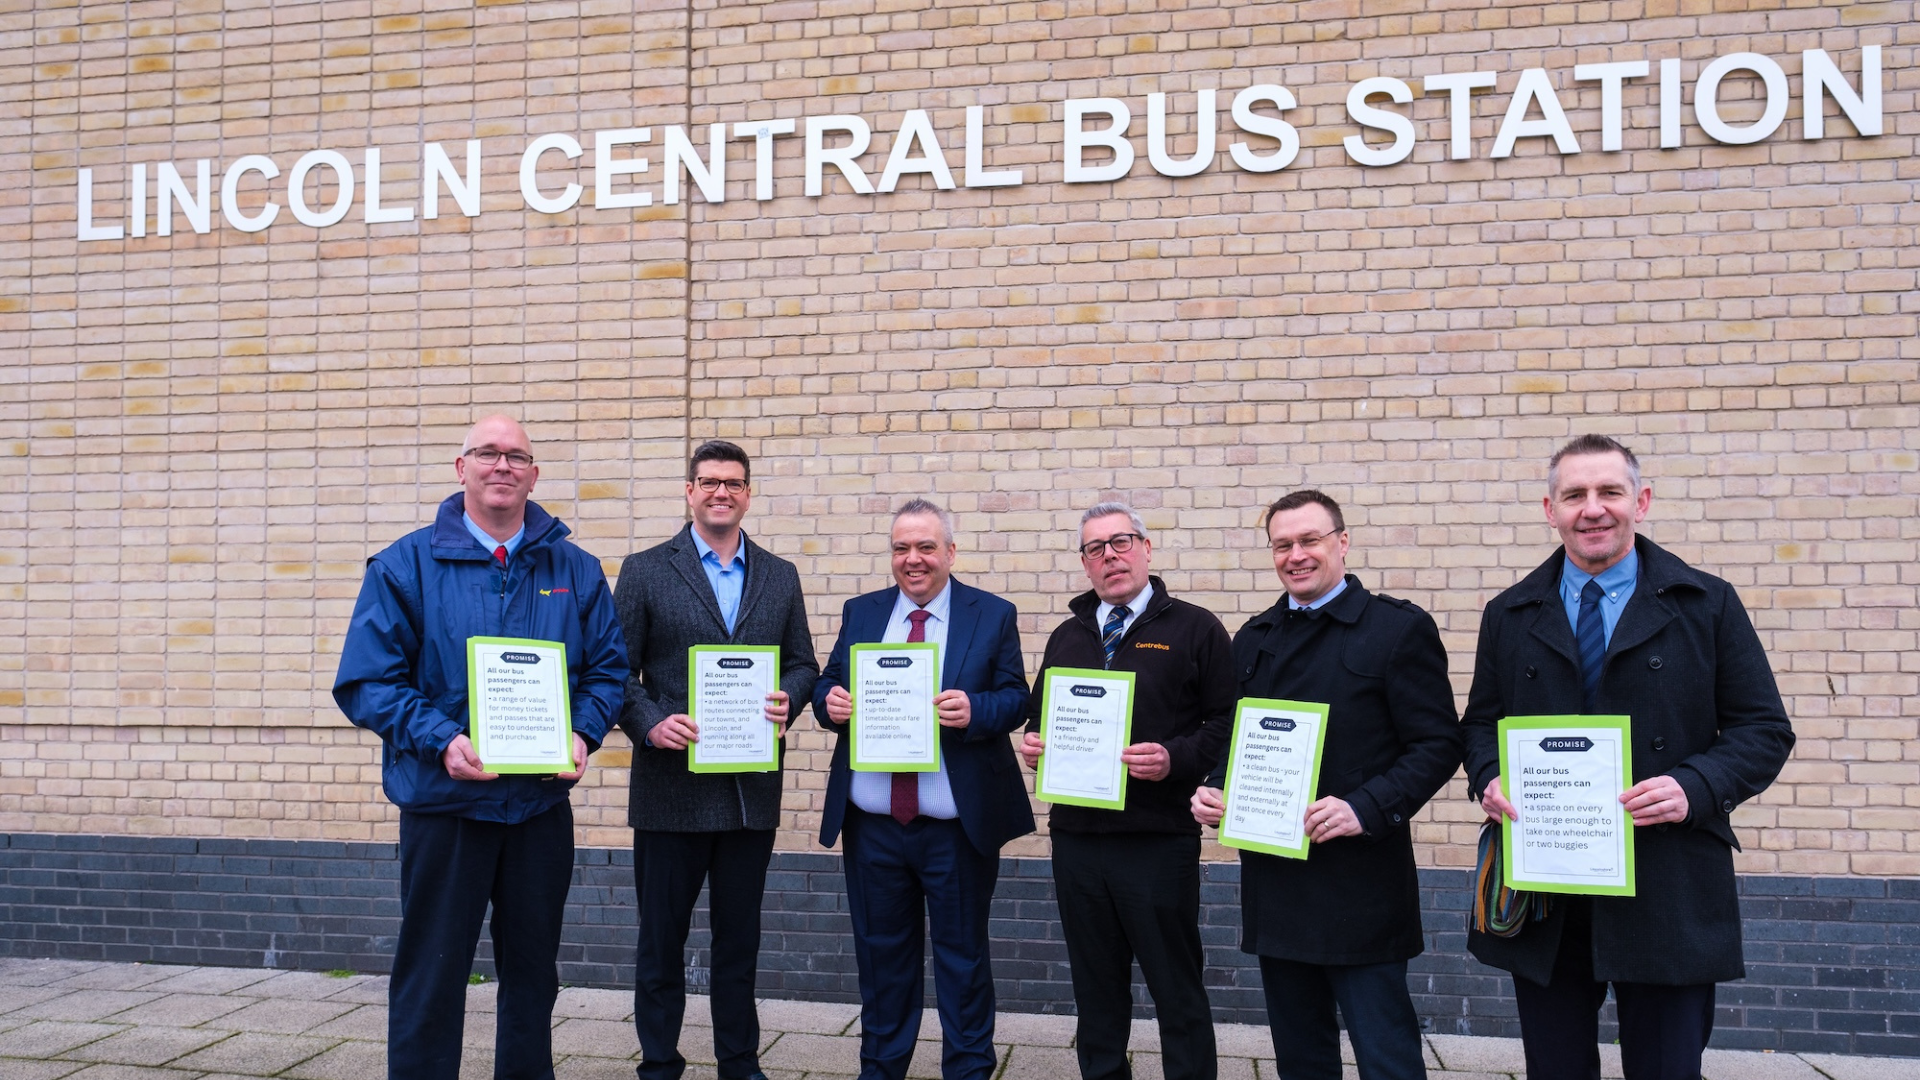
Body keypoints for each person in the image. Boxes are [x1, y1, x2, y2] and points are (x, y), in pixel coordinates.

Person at [1461, 434, 1795, 1080]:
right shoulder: (1508, 613)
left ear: (1639, 501)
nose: (1593, 509)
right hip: (1546, 890)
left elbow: (1764, 730)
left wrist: (1694, 786)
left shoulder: (1707, 604)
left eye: (1609, 492)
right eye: (1574, 495)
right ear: (1549, 509)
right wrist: (1489, 777)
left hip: (1667, 884)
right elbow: (1479, 724)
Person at [333, 415, 628, 1080]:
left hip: (537, 809)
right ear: (459, 467)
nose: (502, 466)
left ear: (534, 473)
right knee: (431, 977)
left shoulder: (576, 570)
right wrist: (442, 740)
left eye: (516, 455)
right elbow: (366, 681)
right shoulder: (405, 565)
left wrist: (582, 733)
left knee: (533, 978)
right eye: (487, 453)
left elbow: (608, 671)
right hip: (446, 808)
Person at [1191, 490, 1461, 1080]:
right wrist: (1214, 787)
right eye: (1282, 544)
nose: (1296, 555)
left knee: (1385, 1054)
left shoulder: (1397, 629)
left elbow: (1439, 744)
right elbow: (1235, 740)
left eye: (1309, 540)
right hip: (1277, 882)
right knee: (1300, 1056)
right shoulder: (1255, 637)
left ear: (1342, 542)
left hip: (1361, 885)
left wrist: (1367, 807)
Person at [614, 440, 820, 1080]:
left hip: (747, 794)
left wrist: (794, 696)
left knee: (739, 943)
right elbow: (616, 672)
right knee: (661, 944)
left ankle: (739, 1061)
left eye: (732, 482)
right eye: (708, 482)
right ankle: (658, 1063)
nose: (720, 492)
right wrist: (650, 724)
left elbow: (804, 662)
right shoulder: (646, 569)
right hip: (670, 792)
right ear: (689, 491)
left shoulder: (779, 574)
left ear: (748, 494)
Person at [812, 499, 1033, 1080]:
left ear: (950, 552)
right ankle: (880, 1070)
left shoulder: (991, 614)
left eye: (926, 547)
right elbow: (829, 682)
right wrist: (830, 703)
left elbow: (1017, 697)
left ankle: (967, 1070)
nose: (913, 559)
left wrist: (975, 709)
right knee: (882, 962)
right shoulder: (862, 612)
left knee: (962, 962)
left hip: (953, 830)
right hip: (874, 827)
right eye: (901, 548)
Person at [1020, 502, 1234, 1080]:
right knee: (1095, 991)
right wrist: (1035, 742)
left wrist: (1175, 758)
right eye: (1095, 548)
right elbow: (1041, 715)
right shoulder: (1068, 635)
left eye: (1120, 542)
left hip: (1157, 841)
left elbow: (1226, 722)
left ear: (1145, 547)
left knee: (1176, 990)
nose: (1109, 555)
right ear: (1085, 564)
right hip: (1077, 840)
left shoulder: (1195, 628)